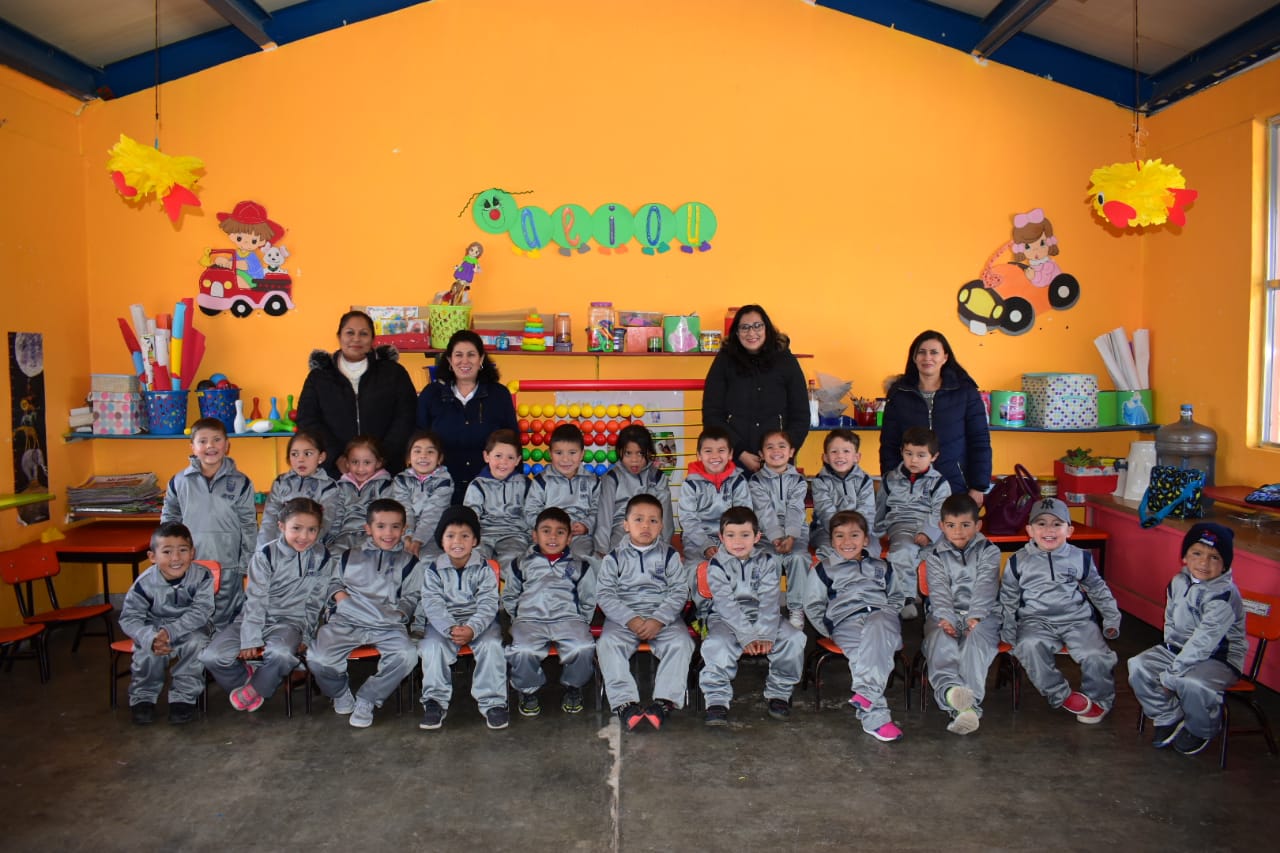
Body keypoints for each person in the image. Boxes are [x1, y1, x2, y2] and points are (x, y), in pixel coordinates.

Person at [201, 497, 332, 713]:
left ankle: (255, 688)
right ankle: (251, 680)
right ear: (281, 526)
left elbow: (315, 603)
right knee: (211, 656)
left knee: (281, 655)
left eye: (312, 530)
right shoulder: (265, 555)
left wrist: (307, 636)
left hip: (290, 623)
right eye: (296, 528)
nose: (304, 536)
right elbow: (256, 599)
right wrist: (250, 638)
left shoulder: (323, 557)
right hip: (252, 619)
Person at [999, 498, 1120, 725]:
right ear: (1030, 531)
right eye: (1041, 524)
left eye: (1057, 524)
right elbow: (1008, 598)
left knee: (1096, 656)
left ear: (1069, 530)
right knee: (1028, 646)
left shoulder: (1081, 557)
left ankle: (1099, 701)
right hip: (1035, 621)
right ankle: (1061, 694)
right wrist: (1008, 629)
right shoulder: (1017, 561)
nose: (1049, 530)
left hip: (1077, 621)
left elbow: (1098, 589)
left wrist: (1112, 618)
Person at [1128, 523, 1246, 756]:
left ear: (1225, 565)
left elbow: (1204, 642)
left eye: (1214, 557)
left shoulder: (1224, 596)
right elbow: (1170, 619)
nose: (1204, 563)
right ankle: (1168, 715)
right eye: (1197, 553)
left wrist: (1172, 674)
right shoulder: (1179, 581)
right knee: (1138, 666)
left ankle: (1201, 729)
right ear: (1184, 557)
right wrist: (1169, 649)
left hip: (1219, 658)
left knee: (1192, 683)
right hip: (1180, 649)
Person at [308, 498, 421, 729]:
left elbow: (412, 596)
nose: (388, 533)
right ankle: (340, 692)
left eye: (395, 526)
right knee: (318, 658)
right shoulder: (348, 556)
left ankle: (368, 698)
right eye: (381, 526)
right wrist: (340, 596)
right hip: (347, 619)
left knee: (407, 655)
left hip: (386, 624)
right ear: (368, 528)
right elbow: (333, 583)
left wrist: (400, 614)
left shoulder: (410, 562)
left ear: (404, 529)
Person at [696, 507, 805, 726]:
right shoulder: (716, 565)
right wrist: (747, 636)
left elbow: (770, 600)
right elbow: (725, 605)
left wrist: (765, 634)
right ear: (721, 538)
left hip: (764, 616)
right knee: (717, 644)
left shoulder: (767, 561)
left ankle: (779, 693)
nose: (738, 541)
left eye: (745, 535)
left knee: (793, 638)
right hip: (725, 618)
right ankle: (716, 700)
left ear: (756, 537)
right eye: (731, 535)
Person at [802, 510, 905, 742]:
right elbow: (812, 605)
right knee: (861, 654)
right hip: (846, 623)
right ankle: (876, 719)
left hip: (882, 618)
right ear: (831, 541)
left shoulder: (882, 566)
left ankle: (867, 694)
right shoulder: (823, 569)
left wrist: (889, 613)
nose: (847, 541)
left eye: (854, 535)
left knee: (879, 623)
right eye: (839, 536)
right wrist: (830, 630)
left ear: (866, 540)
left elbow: (897, 596)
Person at [597, 494, 694, 732]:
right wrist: (629, 618)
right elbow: (605, 594)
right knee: (608, 643)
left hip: (662, 617)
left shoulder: (670, 556)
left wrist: (659, 619)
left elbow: (679, 592)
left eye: (653, 520)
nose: (645, 526)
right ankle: (625, 704)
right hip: (623, 617)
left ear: (661, 526)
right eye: (638, 519)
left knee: (681, 643)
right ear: (626, 524)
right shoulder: (613, 558)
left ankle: (664, 702)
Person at [297, 309, 418, 479]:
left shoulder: (393, 372)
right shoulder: (319, 377)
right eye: (350, 333)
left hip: (385, 470)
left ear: (372, 339)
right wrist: (336, 456)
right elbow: (308, 420)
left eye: (363, 334)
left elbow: (406, 416)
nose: (356, 339)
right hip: (335, 472)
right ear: (339, 337)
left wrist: (380, 457)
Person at [417, 506, 508, 731]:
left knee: (492, 645)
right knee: (431, 647)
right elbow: (432, 604)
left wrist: (472, 628)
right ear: (441, 541)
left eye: (465, 536)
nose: (457, 541)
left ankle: (494, 703)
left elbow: (489, 603)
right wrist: (449, 628)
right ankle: (434, 702)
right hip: (443, 623)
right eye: (450, 536)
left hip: (480, 622)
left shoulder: (485, 569)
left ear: (475, 540)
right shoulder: (433, 570)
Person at [161, 417, 256, 630]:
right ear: (192, 447)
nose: (210, 446)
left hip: (228, 566)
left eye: (216, 440)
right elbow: (169, 523)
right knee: (192, 618)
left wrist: (247, 564)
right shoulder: (179, 482)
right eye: (202, 441)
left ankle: (222, 650)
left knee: (225, 621)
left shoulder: (241, 482)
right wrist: (169, 557)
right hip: (190, 565)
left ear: (227, 445)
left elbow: (249, 526)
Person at [119, 522, 215, 725]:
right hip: (154, 630)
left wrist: (170, 631)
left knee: (197, 643)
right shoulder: (144, 584)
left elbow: (201, 612)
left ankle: (183, 698)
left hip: (191, 628)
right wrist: (151, 637)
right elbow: (129, 618)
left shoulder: (203, 576)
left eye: (183, 550)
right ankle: (143, 698)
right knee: (147, 652)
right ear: (152, 557)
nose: (176, 558)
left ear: (192, 553)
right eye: (167, 552)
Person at [504, 507, 597, 718]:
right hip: (530, 620)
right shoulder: (520, 563)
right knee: (522, 650)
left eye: (560, 532)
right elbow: (510, 595)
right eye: (546, 531)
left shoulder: (580, 566)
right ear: (535, 535)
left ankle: (573, 687)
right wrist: (518, 619)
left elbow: (588, 598)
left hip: (568, 619)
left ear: (570, 537)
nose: (553, 537)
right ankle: (528, 691)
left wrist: (581, 621)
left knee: (584, 646)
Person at [879, 329, 991, 504]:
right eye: (921, 352)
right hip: (909, 489)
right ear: (914, 358)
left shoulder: (966, 392)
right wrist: (891, 483)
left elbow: (980, 441)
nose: (927, 358)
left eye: (934, 352)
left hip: (956, 486)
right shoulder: (899, 394)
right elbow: (889, 444)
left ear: (945, 357)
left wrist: (978, 486)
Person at [922, 494, 1002, 735]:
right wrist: (946, 618)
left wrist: (975, 617)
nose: (958, 532)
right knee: (940, 640)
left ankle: (965, 707)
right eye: (951, 525)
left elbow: (986, 587)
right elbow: (939, 591)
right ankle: (953, 695)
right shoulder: (934, 555)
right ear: (941, 526)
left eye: (965, 525)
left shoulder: (990, 551)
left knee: (974, 644)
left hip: (984, 614)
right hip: (943, 613)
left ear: (978, 525)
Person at [702, 304, 809, 473]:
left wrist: (782, 453)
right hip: (734, 459)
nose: (751, 333)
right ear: (736, 333)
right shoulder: (724, 361)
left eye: (757, 326)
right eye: (744, 327)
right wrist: (739, 452)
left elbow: (801, 415)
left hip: (778, 462)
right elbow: (712, 414)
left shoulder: (785, 360)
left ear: (767, 328)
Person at [416, 329, 518, 504]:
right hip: (441, 492)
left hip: (490, 490)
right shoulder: (431, 394)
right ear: (449, 360)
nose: (464, 361)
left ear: (481, 359)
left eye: (471, 355)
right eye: (458, 355)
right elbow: (418, 439)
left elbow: (513, 441)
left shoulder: (499, 395)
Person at [875, 426, 950, 620]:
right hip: (902, 525)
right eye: (909, 454)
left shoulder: (939, 483)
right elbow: (880, 507)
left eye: (921, 455)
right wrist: (876, 531)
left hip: (932, 526)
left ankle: (934, 601)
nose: (914, 460)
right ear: (901, 452)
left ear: (934, 457)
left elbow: (940, 511)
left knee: (942, 554)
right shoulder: (890, 479)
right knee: (903, 551)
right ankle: (905, 598)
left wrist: (928, 533)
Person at [747, 429, 810, 630]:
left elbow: (795, 509)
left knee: (799, 558)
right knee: (769, 560)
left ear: (791, 452)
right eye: (770, 447)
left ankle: (796, 608)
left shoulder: (799, 480)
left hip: (796, 534)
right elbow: (764, 511)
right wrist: (775, 537)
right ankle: (769, 609)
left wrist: (790, 536)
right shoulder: (756, 481)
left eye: (782, 446)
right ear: (761, 454)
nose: (776, 451)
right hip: (766, 535)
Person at [677, 426, 751, 572]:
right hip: (697, 542)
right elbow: (688, 520)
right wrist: (705, 545)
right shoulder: (690, 484)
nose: (715, 456)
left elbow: (743, 517)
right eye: (708, 451)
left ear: (730, 454)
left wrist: (729, 544)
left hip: (732, 539)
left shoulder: (739, 481)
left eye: (721, 450)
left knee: (743, 566)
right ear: (699, 455)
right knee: (696, 570)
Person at [524, 423, 599, 564]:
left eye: (572, 453)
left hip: (578, 537)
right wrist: (548, 528)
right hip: (550, 535)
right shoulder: (541, 481)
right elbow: (530, 511)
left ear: (582, 454)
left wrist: (586, 525)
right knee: (533, 558)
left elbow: (598, 510)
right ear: (550, 453)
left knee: (583, 558)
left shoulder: (592, 481)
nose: (565, 459)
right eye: (559, 453)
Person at [594, 423, 674, 556]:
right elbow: (604, 517)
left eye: (640, 453)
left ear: (649, 452)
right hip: (621, 533)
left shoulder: (657, 477)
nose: (634, 460)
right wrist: (602, 551)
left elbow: (665, 515)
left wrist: (665, 547)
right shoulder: (612, 478)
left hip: (651, 532)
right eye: (628, 453)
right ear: (620, 452)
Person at [256, 429, 341, 549]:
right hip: (280, 549)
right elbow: (269, 521)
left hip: (312, 548)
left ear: (321, 457)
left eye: (307, 454)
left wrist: (305, 546)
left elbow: (326, 524)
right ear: (288, 458)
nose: (300, 459)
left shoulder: (328, 487)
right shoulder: (281, 482)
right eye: (294, 454)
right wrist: (263, 550)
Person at [463, 429, 530, 571]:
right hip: (483, 535)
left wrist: (532, 534)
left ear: (518, 460)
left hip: (514, 535)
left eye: (510, 457)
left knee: (512, 562)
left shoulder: (525, 484)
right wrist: (470, 535)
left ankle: (509, 585)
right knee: (474, 560)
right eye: (498, 456)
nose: (503, 462)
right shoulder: (478, 485)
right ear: (486, 456)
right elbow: (471, 514)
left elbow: (532, 511)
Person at [809, 429, 876, 552]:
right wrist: (842, 535)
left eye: (846, 451)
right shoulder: (820, 482)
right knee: (831, 550)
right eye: (834, 451)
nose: (840, 456)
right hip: (826, 530)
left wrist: (857, 533)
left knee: (871, 549)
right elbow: (826, 512)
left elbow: (867, 511)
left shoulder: (865, 480)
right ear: (825, 457)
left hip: (859, 530)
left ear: (857, 457)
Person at [391, 430, 454, 558]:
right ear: (408, 458)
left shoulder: (444, 481)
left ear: (439, 459)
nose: (423, 456)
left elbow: (433, 513)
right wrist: (408, 537)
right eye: (417, 451)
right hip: (404, 532)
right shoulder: (400, 480)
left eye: (430, 452)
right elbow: (404, 510)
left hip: (434, 534)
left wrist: (418, 540)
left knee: (428, 561)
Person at [332, 436, 395, 552]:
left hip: (372, 537)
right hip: (344, 536)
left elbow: (386, 517)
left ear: (378, 463)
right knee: (332, 557)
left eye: (367, 462)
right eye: (355, 462)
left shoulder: (385, 486)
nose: (360, 468)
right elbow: (336, 516)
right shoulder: (341, 486)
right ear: (347, 463)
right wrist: (330, 539)